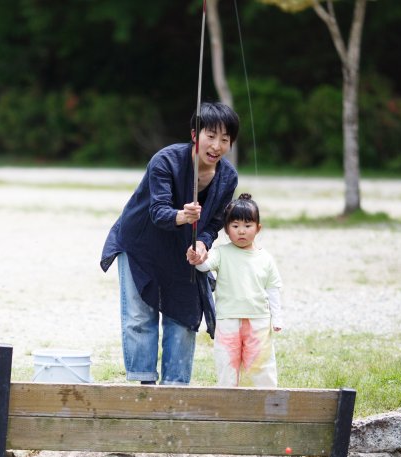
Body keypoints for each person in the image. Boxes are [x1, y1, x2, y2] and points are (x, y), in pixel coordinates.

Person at [100, 102, 240, 385]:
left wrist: (202, 244)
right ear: (194, 135)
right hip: (142, 242)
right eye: (210, 136)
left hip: (183, 250)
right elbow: (157, 211)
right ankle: (144, 386)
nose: (216, 145)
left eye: (225, 140)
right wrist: (182, 215)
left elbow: (213, 224)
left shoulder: (228, 177)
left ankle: (175, 388)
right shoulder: (165, 161)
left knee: (184, 314)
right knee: (140, 317)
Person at [187, 193, 283, 387]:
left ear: (258, 228)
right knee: (227, 363)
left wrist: (277, 317)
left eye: (247, 226)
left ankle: (266, 402)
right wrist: (196, 257)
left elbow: (273, 289)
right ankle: (227, 402)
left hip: (259, 320)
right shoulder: (221, 253)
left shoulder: (266, 259)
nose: (241, 231)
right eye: (235, 226)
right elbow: (204, 266)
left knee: (261, 365)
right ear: (226, 229)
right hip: (227, 319)